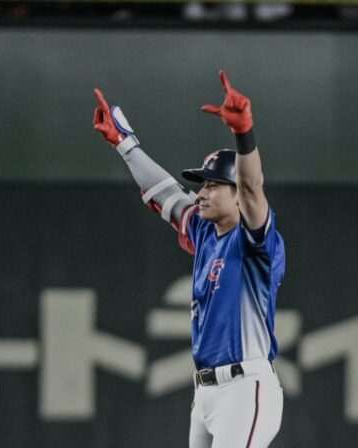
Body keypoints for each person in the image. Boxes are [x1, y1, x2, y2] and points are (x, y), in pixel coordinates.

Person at [92, 71, 285, 448]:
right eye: (202, 185)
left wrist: (244, 133)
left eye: (213, 184)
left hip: (246, 388)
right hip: (207, 393)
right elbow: (166, 193)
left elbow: (252, 186)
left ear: (236, 196)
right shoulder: (204, 233)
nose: (203, 193)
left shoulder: (256, 242)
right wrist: (125, 145)